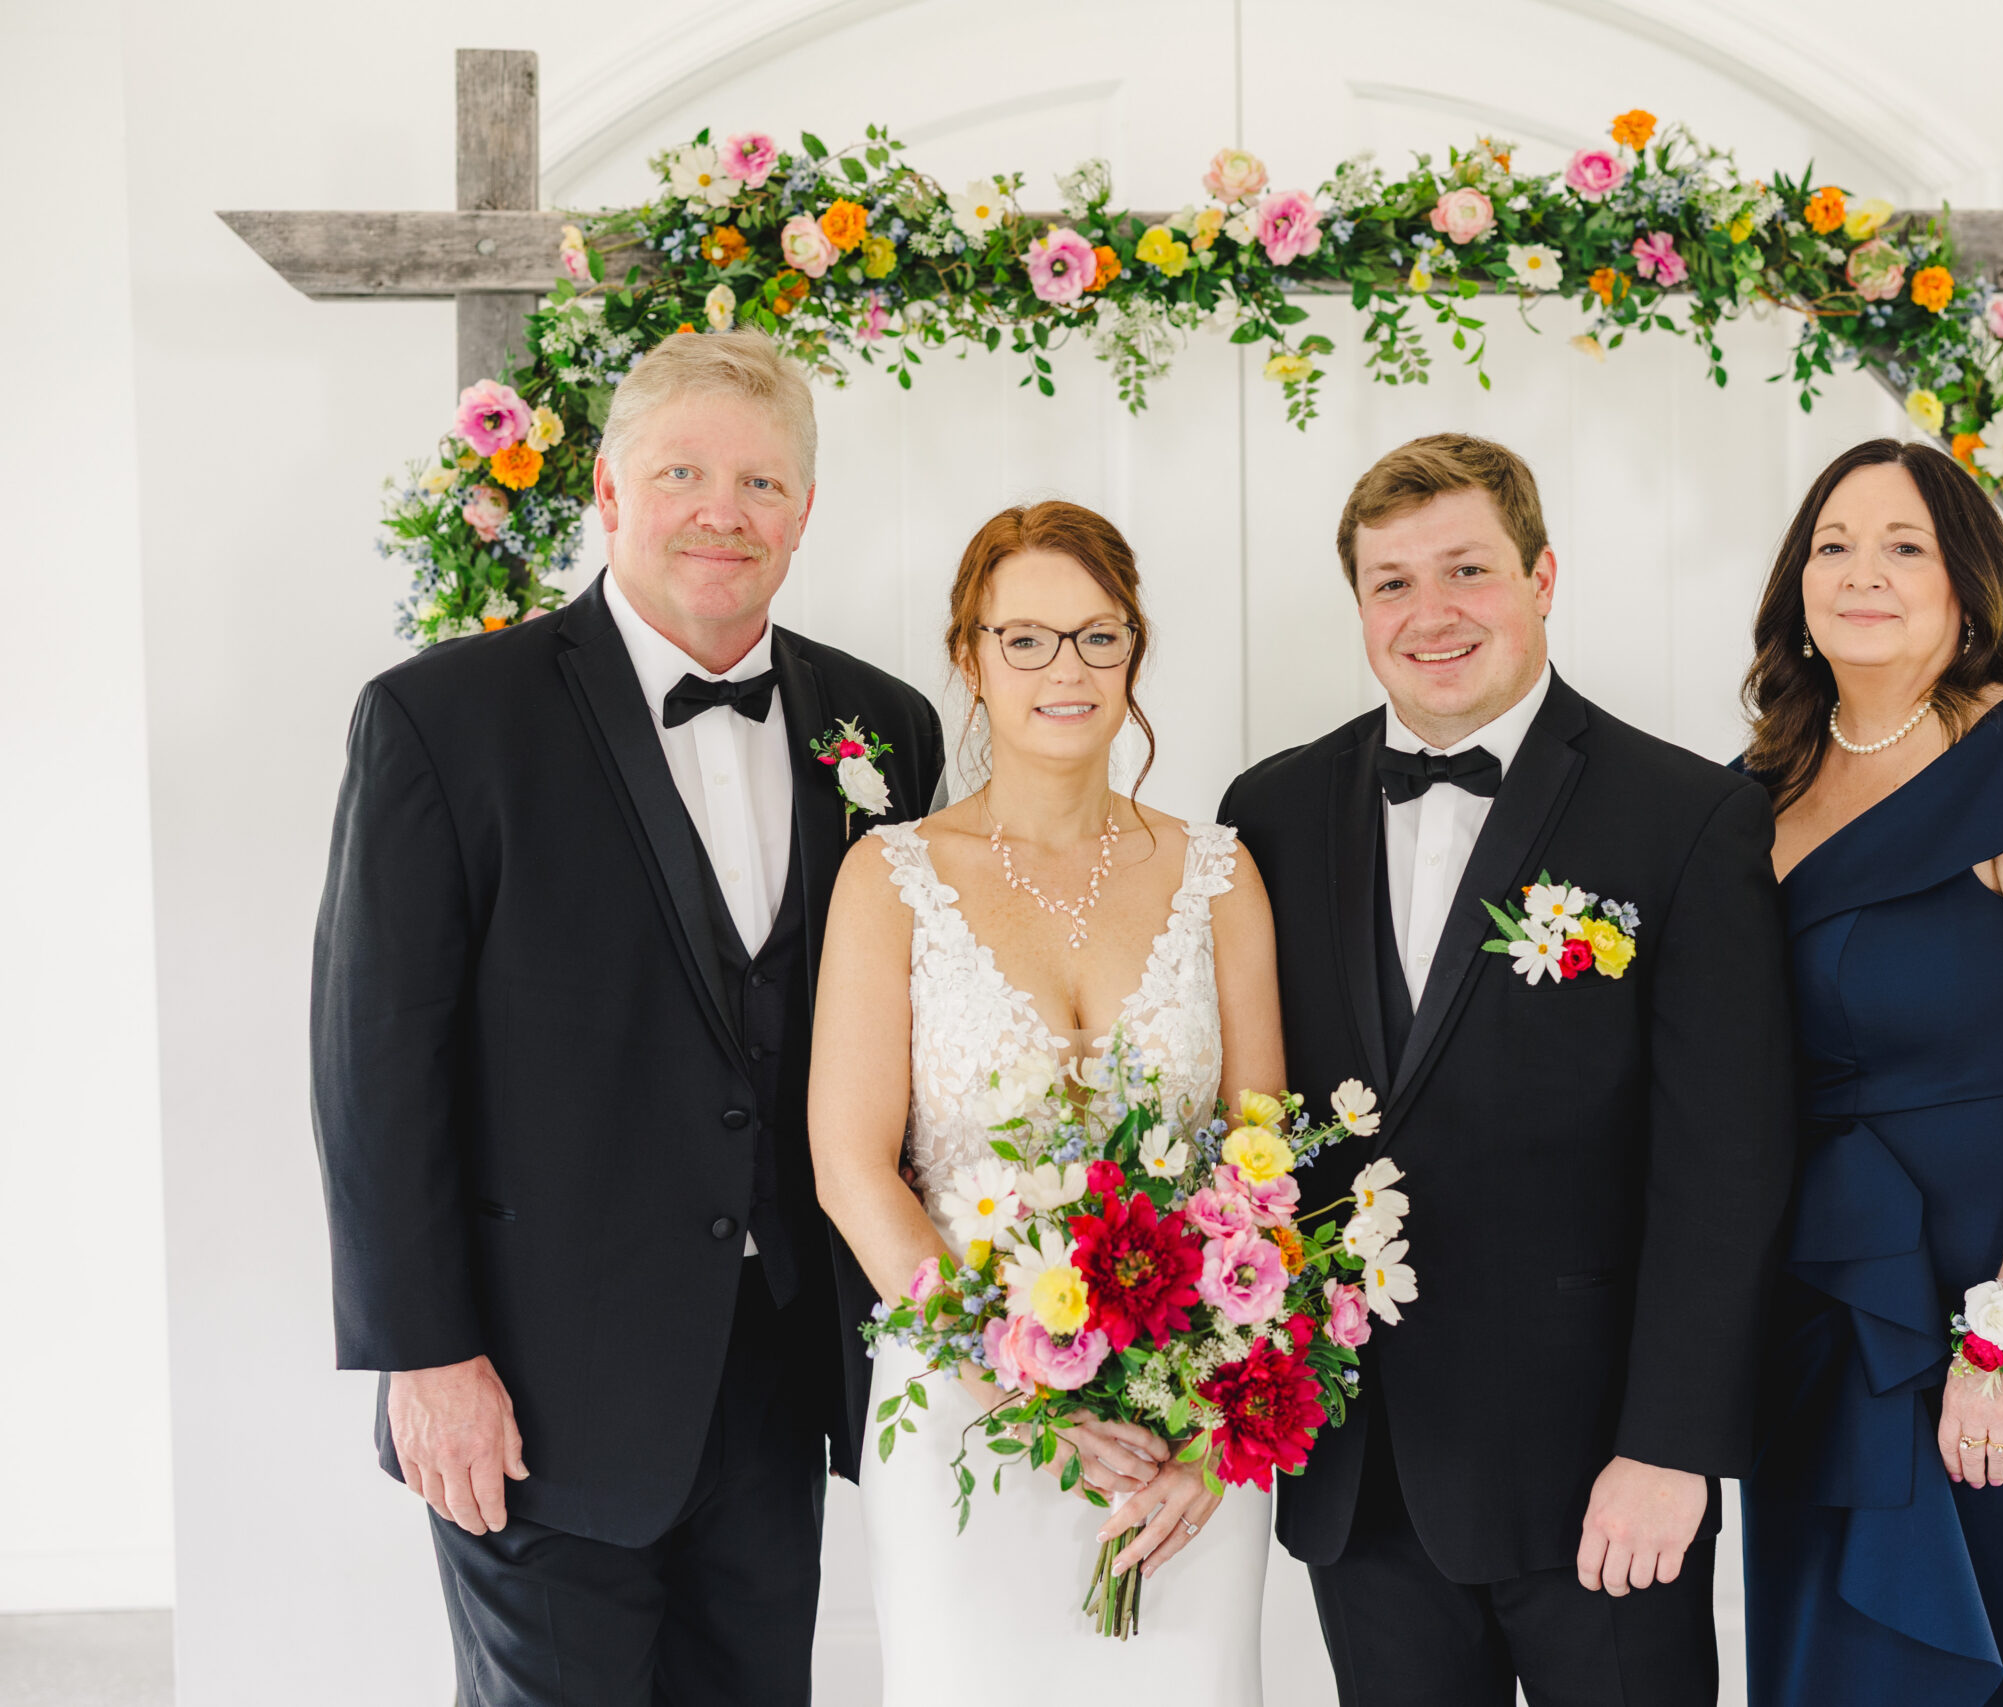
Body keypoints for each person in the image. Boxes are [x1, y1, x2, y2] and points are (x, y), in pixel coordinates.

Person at [309, 328, 944, 1705]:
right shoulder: (444, 718)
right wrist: (428, 1352)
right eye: (684, 472)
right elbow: (376, 1064)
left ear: (806, 513)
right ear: (607, 491)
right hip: (533, 1385)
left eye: (763, 483)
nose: (725, 510)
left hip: (777, 1372)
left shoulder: (883, 727)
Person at [1218, 434, 1796, 1706]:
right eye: (1390, 582)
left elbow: (1729, 1164)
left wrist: (1671, 1447)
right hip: (1361, 1468)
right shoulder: (1267, 811)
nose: (1430, 614)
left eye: (1466, 570)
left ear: (1542, 578)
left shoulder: (1686, 816)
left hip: (1598, 1467)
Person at [808, 500, 1287, 1703]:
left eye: (1096, 636)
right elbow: (853, 1168)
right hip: (966, 1421)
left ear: (1134, 651)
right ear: (967, 658)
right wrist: (1018, 1386)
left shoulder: (1219, 876)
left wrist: (1220, 1428)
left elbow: (1260, 1162)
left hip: (1179, 1442)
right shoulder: (889, 878)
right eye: (1022, 639)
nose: (1062, 670)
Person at [1736, 437, 2003, 1706]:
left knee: (1997, 1656)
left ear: (1967, 584)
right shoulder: (1759, 787)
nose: (1861, 573)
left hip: (1998, 1275)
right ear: (1795, 588)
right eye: (1832, 546)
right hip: (1821, 1288)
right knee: (1827, 1661)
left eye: (1903, 546)